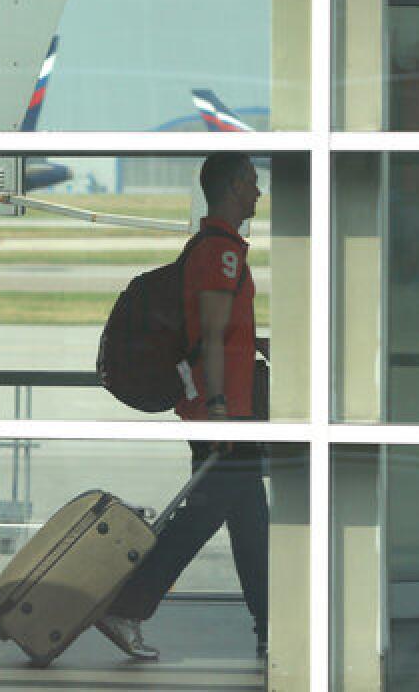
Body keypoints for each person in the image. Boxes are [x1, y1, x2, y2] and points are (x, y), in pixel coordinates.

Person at [97, 152, 269, 660]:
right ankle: (126, 605)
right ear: (234, 186)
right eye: (253, 183)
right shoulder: (221, 253)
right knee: (200, 518)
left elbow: (220, 332)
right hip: (223, 412)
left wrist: (256, 347)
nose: (259, 193)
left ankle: (270, 625)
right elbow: (210, 336)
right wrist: (218, 409)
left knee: (249, 519)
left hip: (226, 410)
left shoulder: (218, 249)